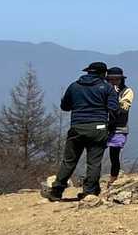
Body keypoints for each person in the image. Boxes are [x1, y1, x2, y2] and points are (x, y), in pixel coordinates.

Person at [44, 61, 120, 201]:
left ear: (88, 72)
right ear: (103, 74)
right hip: (98, 128)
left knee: (69, 161)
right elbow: (114, 110)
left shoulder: (74, 86)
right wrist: (110, 126)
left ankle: (56, 191)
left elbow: (65, 106)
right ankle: (89, 192)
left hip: (77, 127)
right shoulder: (107, 88)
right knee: (93, 162)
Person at [105, 67, 134, 184]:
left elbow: (124, 108)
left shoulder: (127, 91)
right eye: (111, 79)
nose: (114, 82)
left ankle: (113, 179)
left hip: (119, 127)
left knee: (114, 155)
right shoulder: (103, 90)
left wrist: (114, 96)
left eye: (117, 79)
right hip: (104, 126)